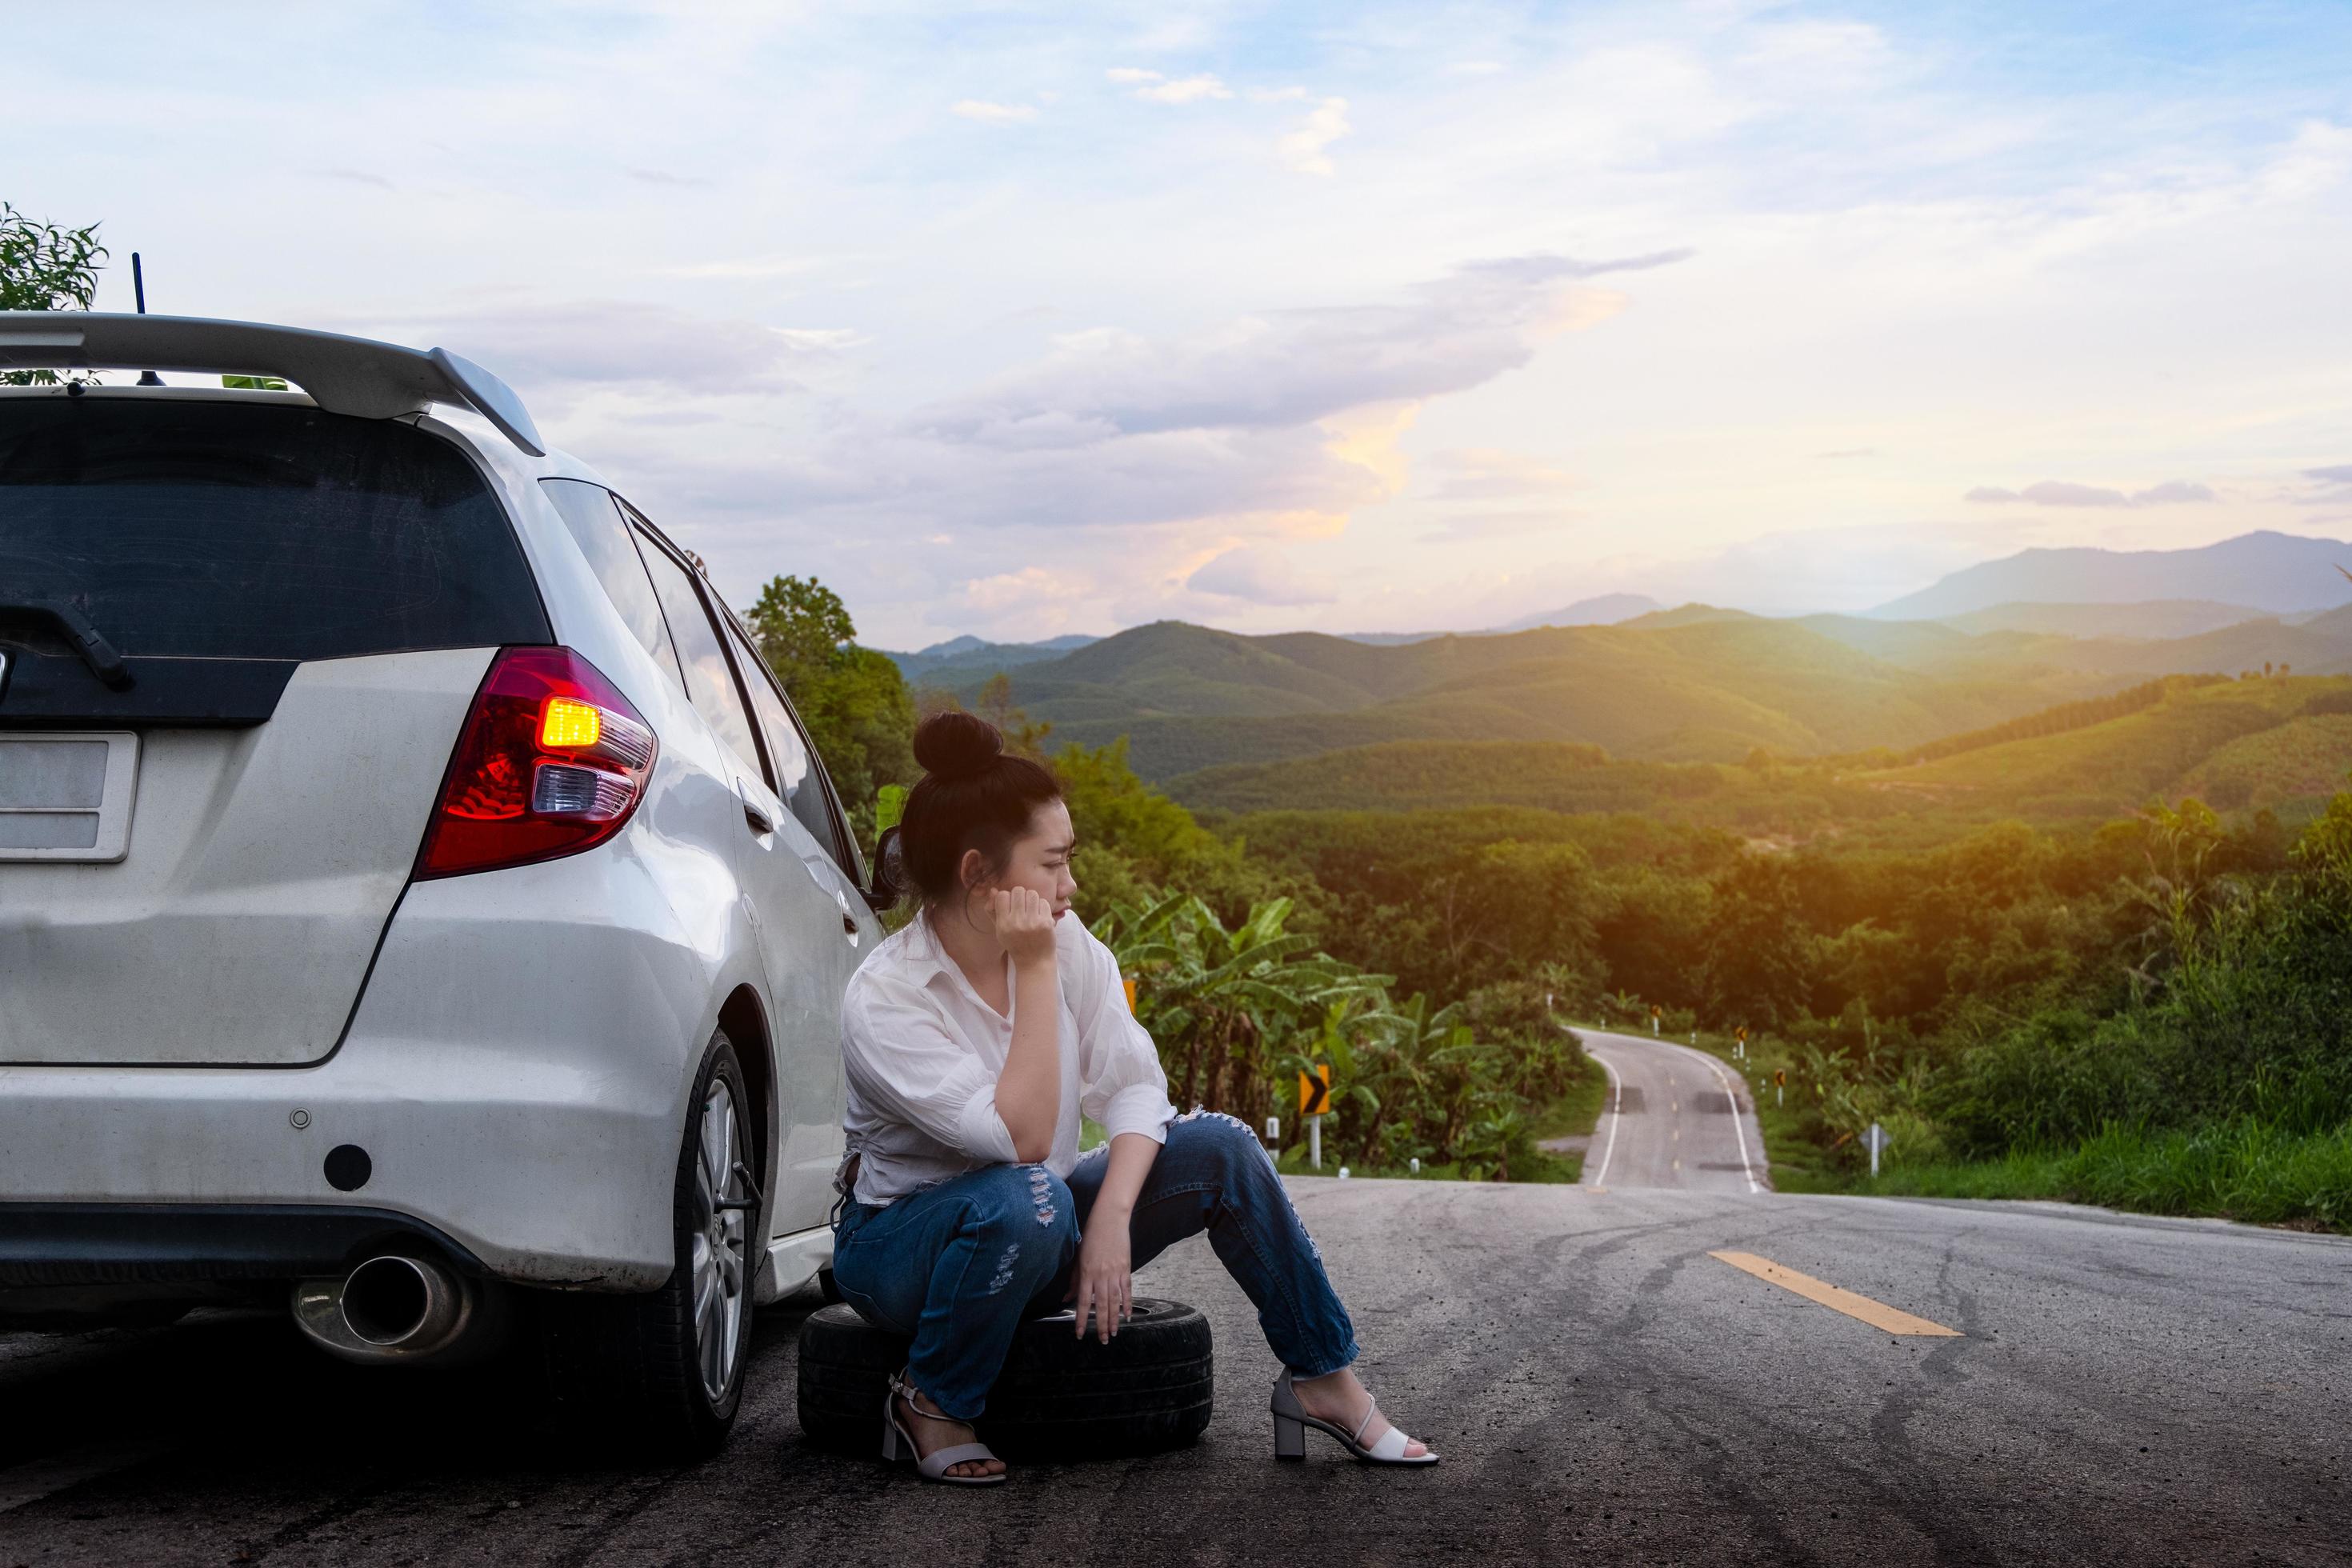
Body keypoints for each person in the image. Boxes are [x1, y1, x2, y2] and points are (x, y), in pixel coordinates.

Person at [829, 710, 1438, 1484]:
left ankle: (1322, 1379)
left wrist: (1114, 1216)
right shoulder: (888, 996)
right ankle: (929, 1398)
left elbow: (1137, 1086)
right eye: (1052, 865)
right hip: (901, 1251)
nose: (1070, 886)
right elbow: (1016, 1140)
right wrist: (1036, 969)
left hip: (1044, 1222)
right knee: (1028, 1195)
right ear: (979, 873)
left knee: (1220, 1143)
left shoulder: (1070, 940)